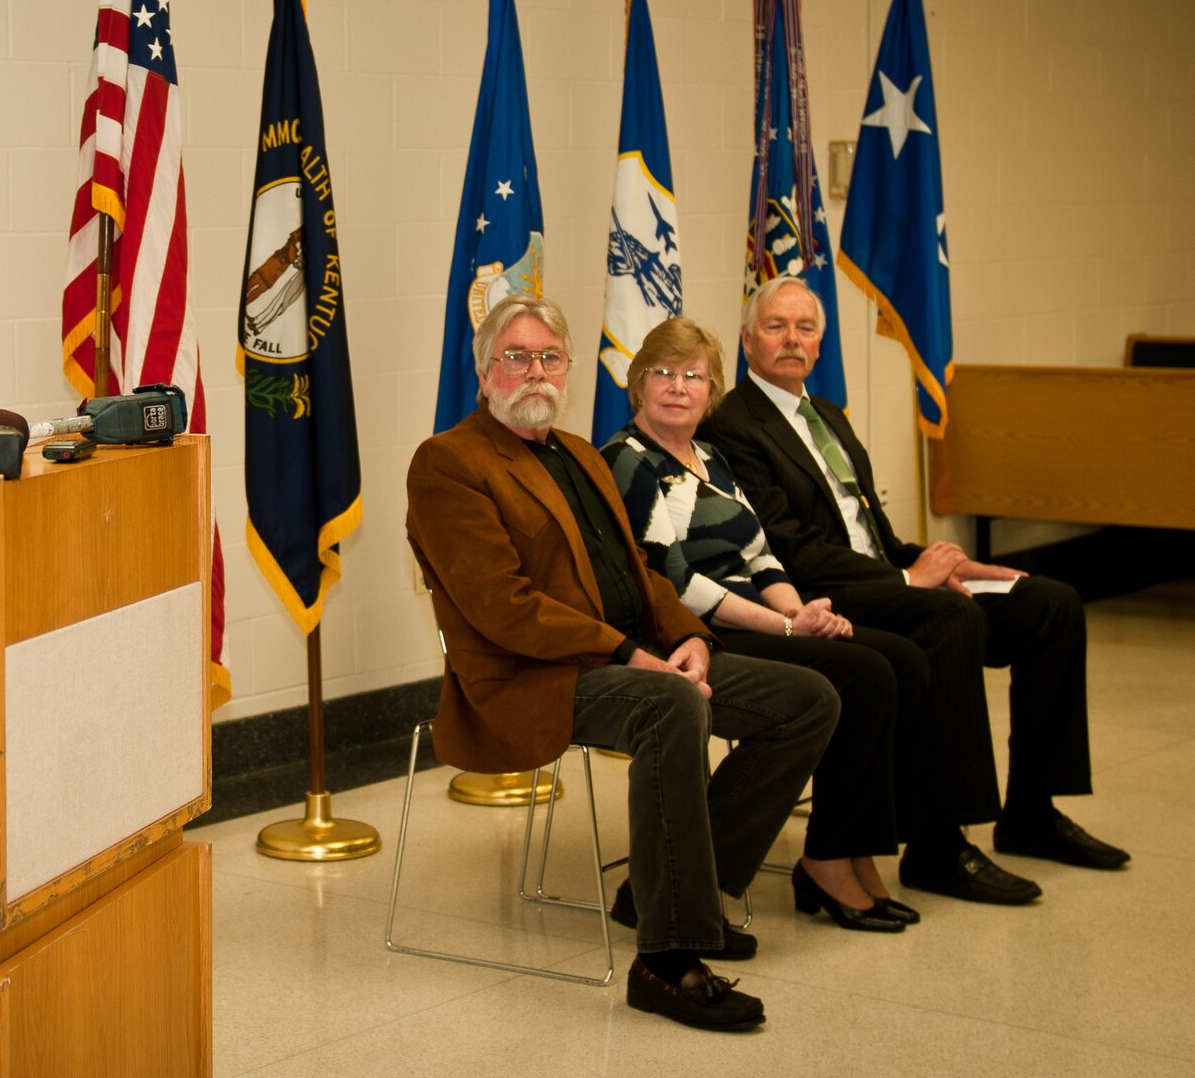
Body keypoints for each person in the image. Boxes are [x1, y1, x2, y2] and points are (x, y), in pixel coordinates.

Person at [406, 293, 836, 1032]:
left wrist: (688, 635)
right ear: (483, 371)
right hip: (528, 678)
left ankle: (671, 891)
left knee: (808, 697)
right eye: (515, 356)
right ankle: (667, 960)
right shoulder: (450, 462)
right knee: (673, 704)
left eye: (548, 357)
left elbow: (638, 568)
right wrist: (634, 654)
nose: (533, 371)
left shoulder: (577, 451)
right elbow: (504, 607)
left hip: (630, 656)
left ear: (568, 368)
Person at [702, 275, 1127, 907]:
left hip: (880, 576)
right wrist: (908, 580)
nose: (792, 340)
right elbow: (790, 551)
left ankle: (1032, 812)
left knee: (1050, 603)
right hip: (813, 594)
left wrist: (945, 563)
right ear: (746, 340)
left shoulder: (829, 418)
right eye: (775, 327)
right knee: (947, 618)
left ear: (820, 345)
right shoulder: (736, 425)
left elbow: (873, 533)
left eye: (806, 328)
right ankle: (939, 843)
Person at [602, 317, 922, 932]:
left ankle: (849, 848)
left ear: (712, 391)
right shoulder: (627, 459)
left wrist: (801, 612)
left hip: (759, 614)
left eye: (693, 375)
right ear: (638, 385)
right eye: (663, 374)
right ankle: (737, 873)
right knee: (862, 677)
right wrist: (783, 631)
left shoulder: (711, 455)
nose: (677, 386)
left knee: (897, 661)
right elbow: (673, 580)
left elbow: (762, 556)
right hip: (694, 632)